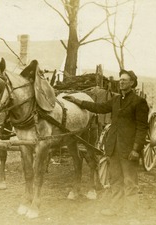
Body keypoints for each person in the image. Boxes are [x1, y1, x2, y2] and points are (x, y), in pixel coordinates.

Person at [63, 69, 149, 217]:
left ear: (132, 83)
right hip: (113, 147)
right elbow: (100, 108)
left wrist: (136, 149)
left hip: (129, 149)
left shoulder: (139, 102)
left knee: (130, 182)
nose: (121, 82)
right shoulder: (116, 100)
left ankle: (132, 215)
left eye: (124, 80)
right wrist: (79, 102)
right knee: (115, 180)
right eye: (120, 79)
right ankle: (115, 208)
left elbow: (142, 128)